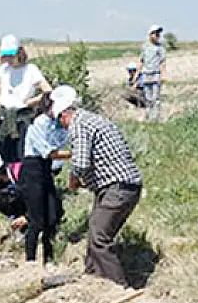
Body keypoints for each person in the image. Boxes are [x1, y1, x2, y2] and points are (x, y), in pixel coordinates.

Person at [53, 85, 143, 286]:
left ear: (64, 115)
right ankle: (92, 279)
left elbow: (81, 162)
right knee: (96, 230)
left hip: (117, 187)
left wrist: (73, 181)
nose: (62, 127)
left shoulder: (79, 124)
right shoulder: (92, 120)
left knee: (99, 235)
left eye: (60, 122)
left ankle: (116, 287)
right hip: (120, 186)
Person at [20, 92, 70, 263]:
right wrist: (73, 154)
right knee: (36, 220)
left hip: (45, 171)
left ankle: (48, 257)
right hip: (32, 171)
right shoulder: (39, 123)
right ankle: (30, 259)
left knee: (52, 215)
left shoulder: (54, 124)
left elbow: (62, 140)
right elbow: (48, 152)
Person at [0, 35, 52, 163]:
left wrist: (32, 101)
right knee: (3, 150)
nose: (9, 58)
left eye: (11, 55)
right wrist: (0, 99)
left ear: (19, 52)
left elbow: (47, 90)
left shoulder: (31, 70)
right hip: (5, 116)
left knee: (22, 152)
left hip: (23, 117)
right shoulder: (3, 70)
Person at [139, 25, 167, 122]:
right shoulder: (145, 47)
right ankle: (149, 117)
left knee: (156, 97)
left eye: (158, 33)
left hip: (156, 74)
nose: (158, 35)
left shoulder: (160, 48)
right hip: (146, 74)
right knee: (148, 97)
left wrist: (163, 75)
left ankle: (156, 118)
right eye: (156, 33)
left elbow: (163, 62)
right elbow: (141, 61)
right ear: (150, 34)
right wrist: (136, 76)